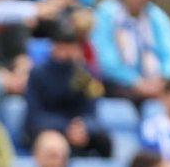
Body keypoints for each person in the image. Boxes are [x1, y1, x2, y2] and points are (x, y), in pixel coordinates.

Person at [89, 0, 170, 104]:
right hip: (119, 84)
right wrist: (135, 82)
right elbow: (104, 57)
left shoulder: (156, 15)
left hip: (157, 83)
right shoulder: (106, 13)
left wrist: (163, 78)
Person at [26, 18, 112, 156]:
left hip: (79, 129)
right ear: (54, 48)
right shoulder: (38, 74)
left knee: (104, 139)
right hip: (50, 128)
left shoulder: (85, 75)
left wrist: (84, 127)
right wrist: (65, 127)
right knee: (51, 143)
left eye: (71, 47)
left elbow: (92, 112)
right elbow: (34, 116)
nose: (67, 52)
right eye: (62, 46)